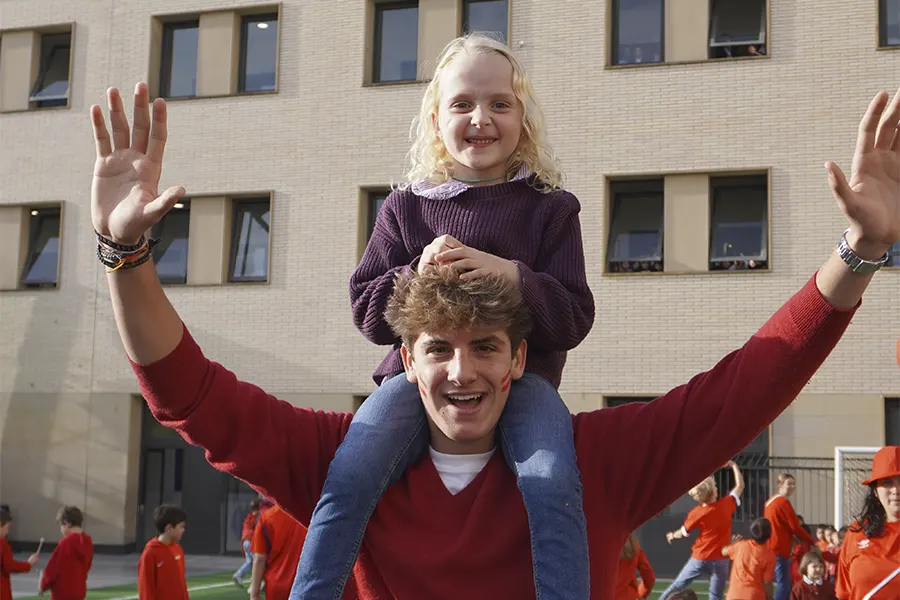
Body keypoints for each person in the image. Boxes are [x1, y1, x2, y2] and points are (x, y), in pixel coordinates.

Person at [87, 62, 900, 598]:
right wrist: (126, 253)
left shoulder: (592, 464)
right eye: (437, 349)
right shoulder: (342, 455)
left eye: (484, 348)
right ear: (406, 356)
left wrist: (859, 251)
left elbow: (749, 384)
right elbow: (189, 394)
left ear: (519, 357)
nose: (460, 371)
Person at [297, 33, 595, 599]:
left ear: (523, 120)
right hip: (415, 384)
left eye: (499, 104)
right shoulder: (407, 206)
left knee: (553, 482)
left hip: (524, 384)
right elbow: (366, 311)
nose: (480, 118)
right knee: (350, 477)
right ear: (436, 120)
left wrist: (512, 274)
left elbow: (574, 319)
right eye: (462, 103)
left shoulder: (551, 208)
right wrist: (413, 272)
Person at [661, 460, 745, 600]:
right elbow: (740, 486)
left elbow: (683, 532)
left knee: (677, 586)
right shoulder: (726, 505)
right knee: (715, 596)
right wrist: (734, 466)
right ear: (714, 491)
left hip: (701, 556)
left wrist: (672, 535)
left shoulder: (697, 512)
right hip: (720, 558)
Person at [836, 446, 900, 600]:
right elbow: (844, 592)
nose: (896, 489)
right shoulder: (857, 532)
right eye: (887, 482)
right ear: (875, 491)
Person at [765, 473, 817, 600]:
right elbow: (795, 527)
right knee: (784, 584)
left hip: (771, 547)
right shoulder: (782, 502)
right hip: (779, 548)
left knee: (775, 582)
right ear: (780, 485)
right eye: (789, 484)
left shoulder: (770, 501)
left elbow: (783, 526)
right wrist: (812, 541)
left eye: (794, 484)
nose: (792, 486)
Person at [248, 504, 307, 600]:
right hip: (306, 584)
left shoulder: (268, 517)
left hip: (276, 587)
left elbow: (259, 559)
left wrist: (254, 594)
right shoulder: (314, 514)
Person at [39, 506, 94, 600]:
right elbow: (87, 565)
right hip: (79, 589)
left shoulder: (66, 543)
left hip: (62, 592)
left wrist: (43, 585)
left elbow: (53, 568)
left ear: (67, 524)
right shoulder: (87, 541)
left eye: (61, 525)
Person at [137, 505, 188, 600]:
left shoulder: (178, 549)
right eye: (181, 526)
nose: (183, 530)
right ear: (169, 528)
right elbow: (146, 586)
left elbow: (181, 583)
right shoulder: (151, 552)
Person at [722, 518, 776, 600]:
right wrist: (770, 597)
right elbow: (767, 582)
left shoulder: (740, 546)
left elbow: (724, 551)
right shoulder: (769, 555)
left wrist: (731, 544)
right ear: (769, 535)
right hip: (754, 595)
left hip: (734, 595)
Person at [0, 508, 39, 600]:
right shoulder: (2, 544)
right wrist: (28, 564)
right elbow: (10, 566)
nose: (7, 532)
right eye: (6, 527)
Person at [615, 533, 655, 600]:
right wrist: (641, 594)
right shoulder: (634, 545)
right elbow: (649, 577)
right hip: (629, 596)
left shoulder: (600, 545)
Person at [233, 498, 261, 588]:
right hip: (251, 541)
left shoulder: (248, 517)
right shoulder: (257, 516)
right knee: (256, 561)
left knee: (250, 561)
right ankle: (254, 580)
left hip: (245, 541)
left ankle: (239, 574)